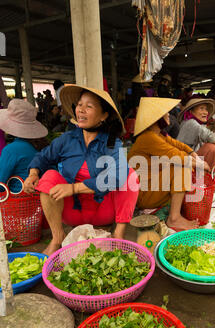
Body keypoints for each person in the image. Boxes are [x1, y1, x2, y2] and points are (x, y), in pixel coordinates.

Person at [24, 85, 139, 256]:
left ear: (103, 116)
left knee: (129, 175)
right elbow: (43, 157)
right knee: (49, 176)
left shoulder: (111, 143)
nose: (81, 110)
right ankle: (57, 238)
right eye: (79, 105)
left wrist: (73, 188)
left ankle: (118, 235)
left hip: (103, 211)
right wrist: (33, 173)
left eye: (89, 106)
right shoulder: (67, 139)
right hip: (73, 212)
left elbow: (117, 176)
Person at [128, 97, 211, 232]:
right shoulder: (148, 137)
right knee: (181, 165)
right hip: (143, 194)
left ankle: (174, 213)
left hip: (151, 186)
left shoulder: (159, 135)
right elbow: (177, 156)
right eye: (165, 113)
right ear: (156, 118)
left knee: (183, 162)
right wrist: (201, 165)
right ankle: (174, 218)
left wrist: (192, 153)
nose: (168, 115)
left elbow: (178, 145)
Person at [177, 96, 215, 170]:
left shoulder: (197, 123)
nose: (205, 112)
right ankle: (202, 176)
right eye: (201, 108)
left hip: (191, 156)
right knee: (211, 148)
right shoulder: (191, 122)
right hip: (184, 159)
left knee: (214, 145)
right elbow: (208, 135)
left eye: (206, 109)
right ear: (191, 111)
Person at [0, 99, 48, 185]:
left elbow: (1, 182)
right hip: (41, 195)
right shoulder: (42, 145)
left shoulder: (11, 150)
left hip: (19, 196)